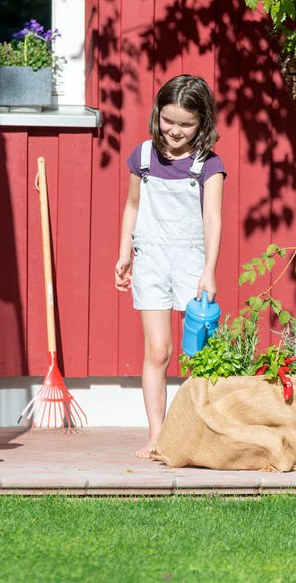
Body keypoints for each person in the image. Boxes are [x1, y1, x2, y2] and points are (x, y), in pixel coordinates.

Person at [114, 75, 226, 458]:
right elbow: (132, 206)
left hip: (192, 262)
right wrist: (124, 252)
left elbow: (212, 220)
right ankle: (158, 436)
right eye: (169, 120)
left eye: (186, 124)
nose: (175, 131)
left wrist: (209, 270)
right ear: (157, 114)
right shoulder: (142, 157)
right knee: (158, 351)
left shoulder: (209, 165)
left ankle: (195, 432)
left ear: (202, 123)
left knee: (197, 355)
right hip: (151, 260)